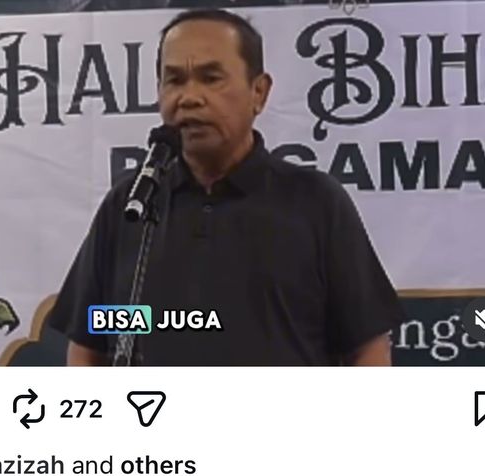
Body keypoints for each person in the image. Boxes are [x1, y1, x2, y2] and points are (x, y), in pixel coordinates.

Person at [48, 8, 403, 366]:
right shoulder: (131, 205)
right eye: (174, 80)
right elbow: (89, 346)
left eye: (211, 78)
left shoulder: (315, 203)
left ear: (258, 92)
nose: (189, 97)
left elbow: (367, 349)